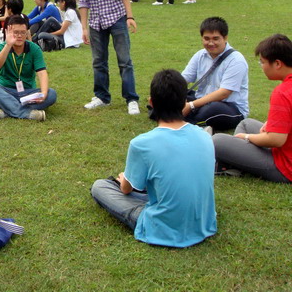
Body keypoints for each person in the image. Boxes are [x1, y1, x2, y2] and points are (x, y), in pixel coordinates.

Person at [90, 69, 217, 248]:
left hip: (164, 227)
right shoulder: (204, 135)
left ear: (151, 103)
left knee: (100, 186)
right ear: (185, 102)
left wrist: (123, 178)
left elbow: (126, 189)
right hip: (204, 221)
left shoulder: (142, 144)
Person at [70, 0, 140, 115]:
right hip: (96, 22)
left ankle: (131, 99)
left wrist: (130, 16)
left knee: (124, 61)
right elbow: (83, 0)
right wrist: (83, 28)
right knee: (98, 61)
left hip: (116, 17)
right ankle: (102, 97)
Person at [213, 34, 292, 183]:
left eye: (262, 62)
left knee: (217, 140)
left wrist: (248, 138)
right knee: (246, 124)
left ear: (277, 64)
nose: (262, 67)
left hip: (286, 167)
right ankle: (237, 161)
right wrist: (270, 124)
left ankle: (233, 162)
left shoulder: (283, 92)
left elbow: (276, 140)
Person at [0, 15, 57, 121]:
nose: (19, 36)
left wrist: (44, 93)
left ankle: (6, 111)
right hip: (5, 91)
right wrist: (8, 46)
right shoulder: (1, 47)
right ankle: (27, 113)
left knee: (51, 94)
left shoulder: (34, 49)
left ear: (27, 32)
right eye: (15, 32)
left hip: (27, 93)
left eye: (23, 32)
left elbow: (42, 72)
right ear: (8, 32)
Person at [181, 17, 249, 131]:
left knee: (211, 109)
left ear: (225, 38)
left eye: (215, 39)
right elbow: (184, 79)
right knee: (173, 97)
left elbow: (223, 93)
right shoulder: (200, 55)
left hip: (229, 107)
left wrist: (191, 105)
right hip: (202, 100)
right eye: (206, 39)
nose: (211, 43)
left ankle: (182, 120)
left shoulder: (236, 60)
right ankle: (182, 118)